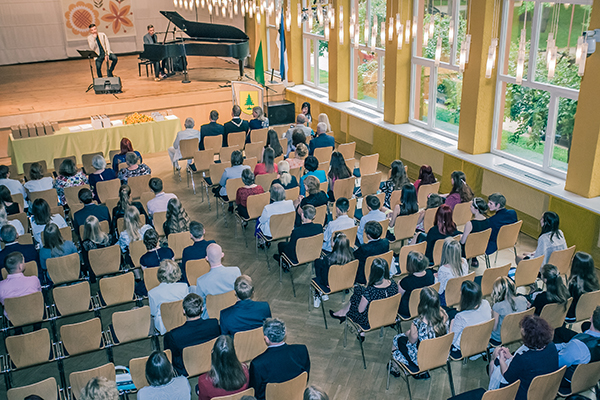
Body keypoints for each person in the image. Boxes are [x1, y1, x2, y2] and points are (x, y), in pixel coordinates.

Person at [489, 315, 558, 400]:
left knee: (493, 361)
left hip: (524, 394)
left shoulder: (523, 358)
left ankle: (494, 394)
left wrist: (502, 358)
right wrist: (510, 356)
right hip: (545, 389)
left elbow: (507, 376)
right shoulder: (551, 346)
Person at [391, 287, 449, 378]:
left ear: (422, 303)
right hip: (440, 353)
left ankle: (395, 368)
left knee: (398, 338)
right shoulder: (444, 315)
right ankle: (422, 372)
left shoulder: (418, 323)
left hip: (422, 359)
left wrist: (408, 333)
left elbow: (411, 341)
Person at [329, 258, 399, 331]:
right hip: (388, 315)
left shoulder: (370, 291)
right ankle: (343, 312)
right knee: (359, 290)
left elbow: (360, 310)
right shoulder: (393, 284)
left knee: (357, 295)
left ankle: (344, 314)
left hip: (370, 320)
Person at [249, 318, 310, 400]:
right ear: (285, 334)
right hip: (296, 394)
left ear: (266, 339)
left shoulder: (257, 364)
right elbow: (305, 375)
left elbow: (256, 392)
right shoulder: (302, 350)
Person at [164, 293, 220, 376]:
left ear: (184, 311)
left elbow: (170, 356)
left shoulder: (173, 335)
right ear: (202, 309)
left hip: (186, 368)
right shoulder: (214, 324)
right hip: (212, 361)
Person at [556, 306, 600, 391]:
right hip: (592, 377)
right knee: (560, 331)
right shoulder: (578, 345)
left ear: (591, 318)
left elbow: (558, 363)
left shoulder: (577, 346)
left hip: (570, 381)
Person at [196, 335, 250, 400]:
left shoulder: (204, 381)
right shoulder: (245, 370)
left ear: (213, 355)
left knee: (197, 388)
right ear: (233, 354)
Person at [196, 243, 241, 319]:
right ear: (222, 255)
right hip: (234, 312)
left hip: (212, 316)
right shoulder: (235, 271)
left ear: (206, 258)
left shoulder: (201, 281)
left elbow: (200, 305)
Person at [450, 281, 492, 358]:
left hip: (464, 346)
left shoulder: (460, 317)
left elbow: (452, 340)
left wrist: (452, 322)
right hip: (483, 339)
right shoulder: (486, 303)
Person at [148, 260, 189, 335]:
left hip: (163, 325)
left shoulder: (152, 293)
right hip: (182, 319)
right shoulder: (184, 287)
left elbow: (153, 313)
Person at [313, 232, 354, 306]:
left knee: (317, 262)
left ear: (334, 243)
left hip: (330, 284)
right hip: (346, 281)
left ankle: (318, 291)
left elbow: (324, 277)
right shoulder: (351, 253)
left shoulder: (328, 259)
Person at [0, 252, 42, 321]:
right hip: (35, 313)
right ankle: (37, 329)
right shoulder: (34, 280)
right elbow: (39, 294)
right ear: (20, 266)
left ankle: (18, 331)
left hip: (13, 317)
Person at [490, 276, 529, 345]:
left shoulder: (497, 307)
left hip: (500, 338)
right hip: (518, 333)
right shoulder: (523, 299)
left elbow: (494, 328)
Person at [398, 251, 435, 318]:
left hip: (408, 309)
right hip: (426, 305)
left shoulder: (406, 281)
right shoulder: (430, 274)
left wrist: (399, 284)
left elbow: (398, 297)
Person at [566, 252, 600, 322]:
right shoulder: (594, 281)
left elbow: (568, 302)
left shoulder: (574, 284)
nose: (572, 259)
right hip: (586, 312)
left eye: (573, 259)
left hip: (571, 316)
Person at [436, 238, 469, 305]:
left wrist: (436, 278)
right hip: (462, 293)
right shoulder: (464, 261)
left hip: (447, 298)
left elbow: (440, 290)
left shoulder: (443, 269)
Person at [81, 215, 114, 282]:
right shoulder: (108, 238)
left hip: (95, 271)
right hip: (111, 266)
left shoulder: (85, 244)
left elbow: (87, 262)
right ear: (98, 225)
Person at [459, 197, 490, 266]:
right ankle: (474, 258)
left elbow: (463, 242)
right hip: (481, 247)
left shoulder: (470, 224)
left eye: (471, 206)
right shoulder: (488, 221)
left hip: (467, 250)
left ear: (476, 210)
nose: (470, 208)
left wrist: (460, 237)